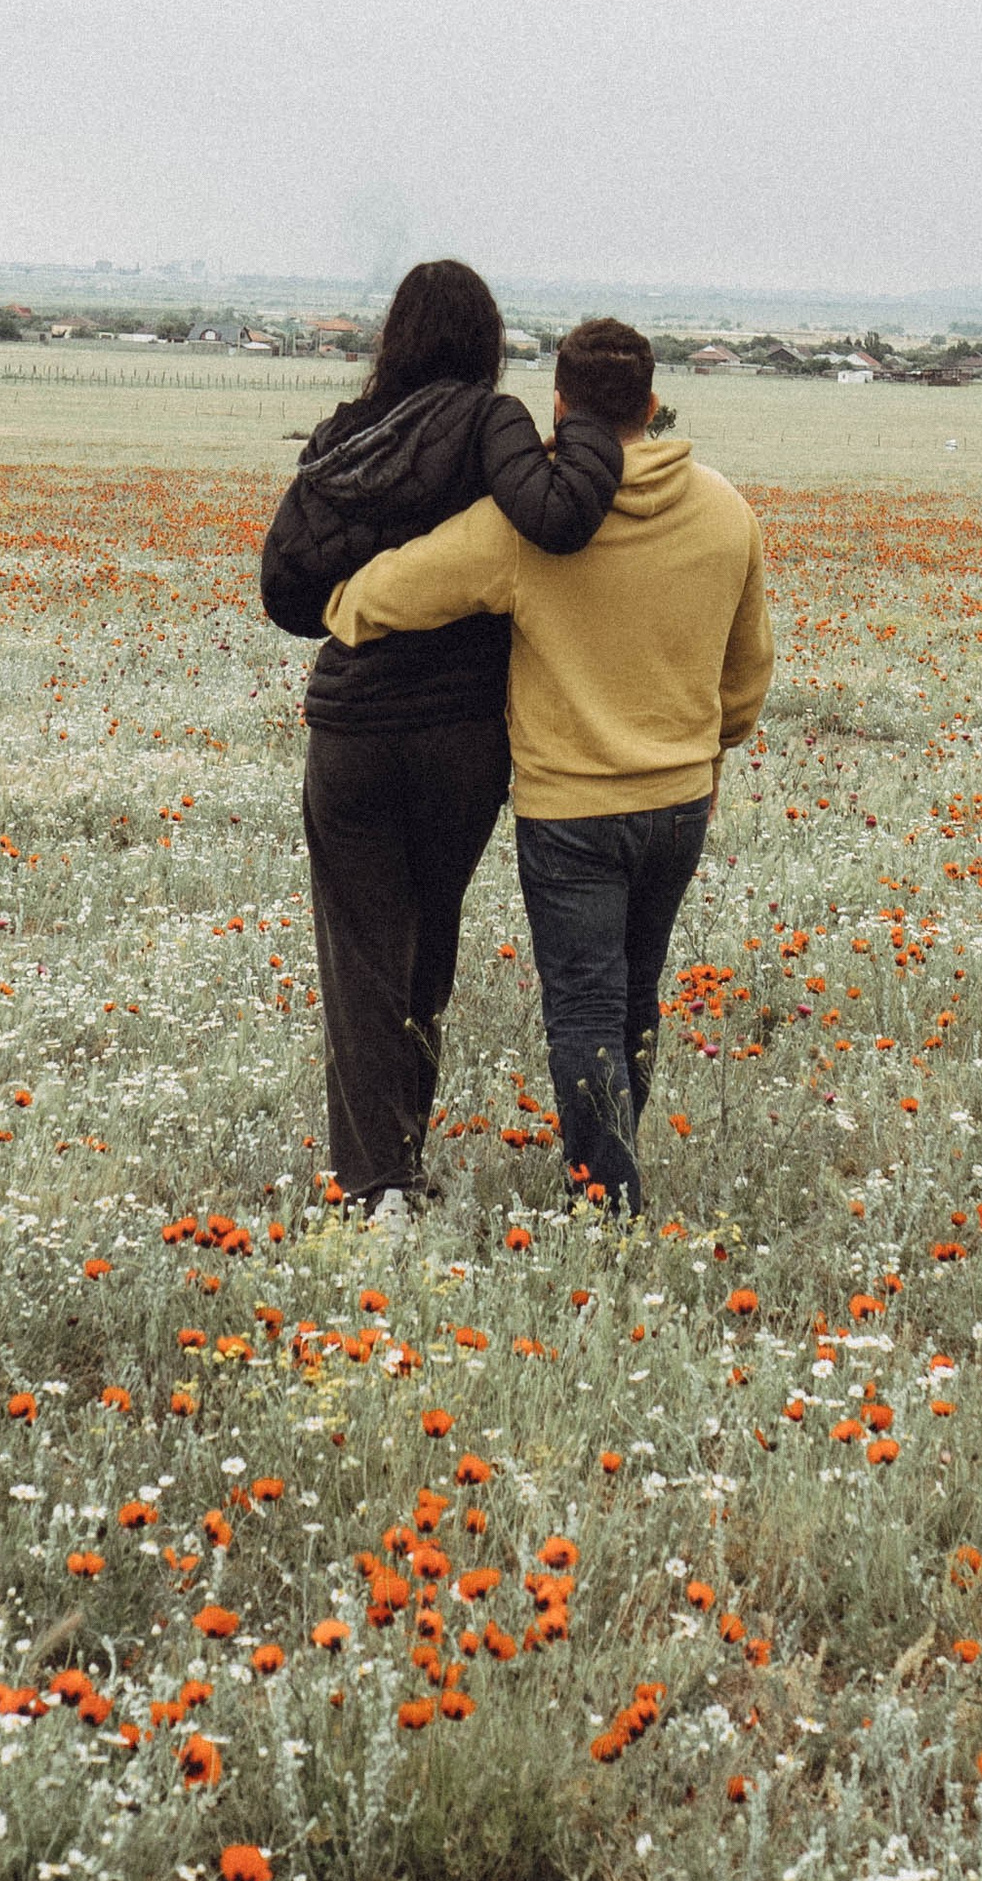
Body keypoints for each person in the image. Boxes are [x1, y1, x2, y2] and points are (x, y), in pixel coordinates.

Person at [323, 315, 771, 1217]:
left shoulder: (524, 531)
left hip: (570, 811)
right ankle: (609, 1175)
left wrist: (340, 600)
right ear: (652, 403)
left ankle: (608, 1200)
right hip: (680, 799)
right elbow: (747, 671)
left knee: (583, 1010)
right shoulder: (727, 509)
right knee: (635, 998)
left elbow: (392, 591)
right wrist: (713, 751)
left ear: (558, 408)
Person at [261, 259, 624, 1224]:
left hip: (352, 732)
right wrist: (593, 422)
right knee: (426, 947)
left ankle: (376, 1184)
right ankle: (395, 1173)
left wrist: (366, 584)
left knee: (360, 954)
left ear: (396, 335)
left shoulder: (347, 434)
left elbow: (282, 592)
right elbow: (555, 518)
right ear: (483, 339)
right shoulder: (488, 419)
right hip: (460, 737)